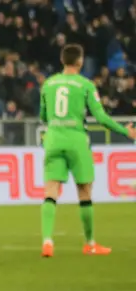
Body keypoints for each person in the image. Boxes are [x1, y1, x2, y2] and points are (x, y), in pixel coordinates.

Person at [38, 44, 136, 258]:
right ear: (80, 61)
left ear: (63, 60)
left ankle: (47, 241)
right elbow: (100, 118)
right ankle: (89, 243)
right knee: (84, 191)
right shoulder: (85, 85)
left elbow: (43, 116)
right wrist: (125, 131)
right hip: (76, 139)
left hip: (53, 138)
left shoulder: (48, 84)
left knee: (50, 191)